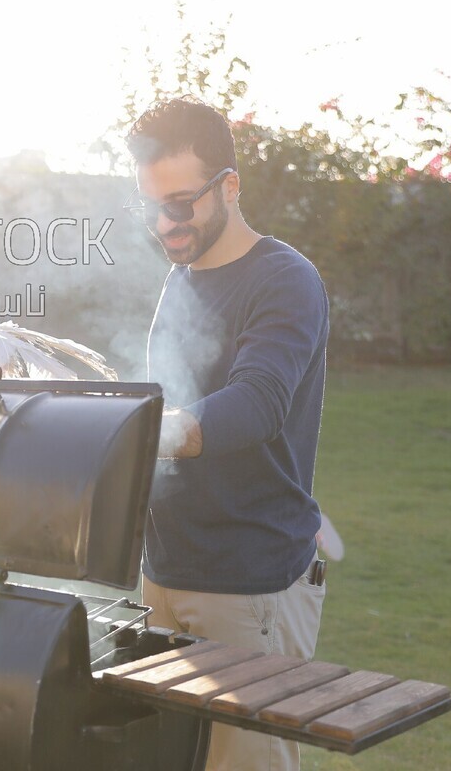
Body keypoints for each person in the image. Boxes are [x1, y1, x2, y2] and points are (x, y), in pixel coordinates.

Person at [125, 97, 330, 771]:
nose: (165, 223)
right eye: (152, 205)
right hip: (163, 571)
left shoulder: (285, 280)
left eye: (181, 204)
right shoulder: (180, 280)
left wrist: (150, 429)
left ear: (229, 187)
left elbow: (258, 402)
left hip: (247, 584)